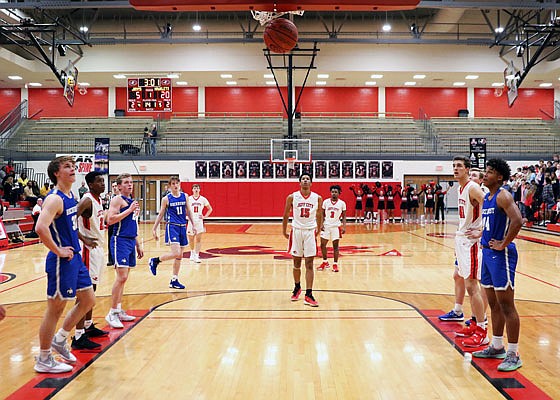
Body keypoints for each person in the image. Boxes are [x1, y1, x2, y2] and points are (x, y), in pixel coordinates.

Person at [34, 156, 96, 374]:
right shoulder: (54, 199)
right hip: (61, 260)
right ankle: (43, 357)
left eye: (73, 166)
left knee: (88, 299)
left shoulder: (71, 195)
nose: (73, 169)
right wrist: (58, 250)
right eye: (67, 167)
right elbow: (40, 228)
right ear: (56, 173)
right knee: (55, 308)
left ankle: (60, 339)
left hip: (74, 257)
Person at [473, 158, 523, 372]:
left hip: (501, 256)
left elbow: (518, 220)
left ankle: (513, 353)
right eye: (486, 171)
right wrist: (482, 234)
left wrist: (504, 243)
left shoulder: (503, 195)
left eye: (490, 171)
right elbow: (493, 224)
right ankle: (496, 345)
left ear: (500, 177)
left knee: (506, 305)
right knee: (493, 304)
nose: (485, 174)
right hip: (488, 254)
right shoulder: (488, 196)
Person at [438, 156, 487, 347]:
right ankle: (475, 324)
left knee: (473, 286)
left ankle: (482, 330)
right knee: (467, 284)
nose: (455, 169)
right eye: (454, 166)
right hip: (462, 240)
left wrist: (482, 230)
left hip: (472, 242)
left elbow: (490, 205)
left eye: (459, 166)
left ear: (467, 169)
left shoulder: (473, 187)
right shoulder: (460, 188)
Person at [73, 171, 109, 350]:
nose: (103, 184)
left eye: (103, 181)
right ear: (90, 184)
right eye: (99, 181)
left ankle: (88, 325)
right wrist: (83, 238)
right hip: (87, 251)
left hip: (97, 249)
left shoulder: (98, 199)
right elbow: (71, 219)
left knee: (92, 291)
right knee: (85, 294)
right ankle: (78, 336)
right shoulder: (86, 200)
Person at [105, 173, 143, 329]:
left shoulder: (131, 201)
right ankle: (112, 312)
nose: (130, 185)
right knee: (121, 276)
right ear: (119, 186)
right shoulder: (117, 200)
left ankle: (119, 309)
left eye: (131, 182)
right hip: (119, 240)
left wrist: (138, 243)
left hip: (129, 240)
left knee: (125, 278)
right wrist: (129, 210)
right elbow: (110, 220)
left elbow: (132, 224)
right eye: (126, 182)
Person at [282, 173, 323, 307]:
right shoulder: (292, 197)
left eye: (308, 179)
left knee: (310, 263)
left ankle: (309, 294)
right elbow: (286, 214)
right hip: (297, 231)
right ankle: (297, 287)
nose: (305, 181)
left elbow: (319, 214)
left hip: (310, 231)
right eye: (303, 179)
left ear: (311, 183)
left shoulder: (317, 198)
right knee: (297, 263)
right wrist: (284, 230)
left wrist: (319, 228)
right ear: (300, 183)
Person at [149, 176, 195, 289]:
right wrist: (154, 228)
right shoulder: (166, 199)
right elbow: (160, 214)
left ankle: (174, 279)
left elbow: (188, 211)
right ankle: (155, 260)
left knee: (179, 256)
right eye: (173, 183)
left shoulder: (185, 196)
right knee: (176, 253)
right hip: (172, 227)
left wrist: (193, 224)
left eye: (177, 183)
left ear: (179, 184)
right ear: (170, 186)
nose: (175, 185)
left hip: (182, 227)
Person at [318, 185, 346, 273]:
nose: (333, 193)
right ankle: (325, 262)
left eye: (335, 192)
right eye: (332, 192)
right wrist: (321, 224)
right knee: (322, 245)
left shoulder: (342, 203)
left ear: (339, 193)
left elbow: (344, 216)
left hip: (335, 227)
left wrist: (344, 226)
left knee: (335, 246)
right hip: (326, 225)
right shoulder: (326, 202)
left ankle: (335, 264)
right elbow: (322, 214)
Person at [187, 184, 213, 263]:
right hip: (191, 221)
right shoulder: (188, 199)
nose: (196, 189)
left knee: (198, 239)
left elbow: (210, 209)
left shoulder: (203, 199)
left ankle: (197, 255)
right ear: (192, 190)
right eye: (194, 188)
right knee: (191, 239)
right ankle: (192, 253)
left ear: (199, 190)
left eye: (197, 188)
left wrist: (205, 216)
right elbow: (184, 208)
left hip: (199, 221)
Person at [106, 181, 120, 266]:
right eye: (113, 186)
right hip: (111, 222)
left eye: (115, 186)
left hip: (118, 221)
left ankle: (118, 258)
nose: (114, 188)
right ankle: (111, 259)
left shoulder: (121, 198)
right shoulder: (110, 198)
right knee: (110, 240)